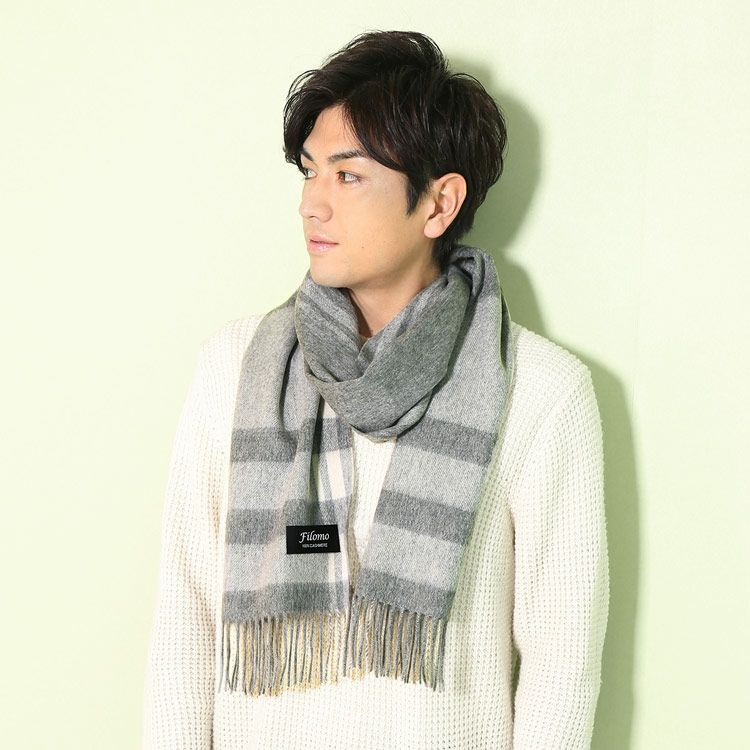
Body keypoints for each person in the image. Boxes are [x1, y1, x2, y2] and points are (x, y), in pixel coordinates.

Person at [142, 29, 609, 750]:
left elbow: (563, 663)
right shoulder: (234, 369)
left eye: (349, 176)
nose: (312, 205)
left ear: (439, 204)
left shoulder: (541, 393)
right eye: (310, 172)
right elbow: (186, 614)